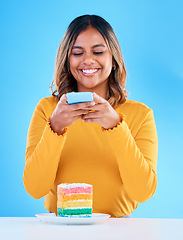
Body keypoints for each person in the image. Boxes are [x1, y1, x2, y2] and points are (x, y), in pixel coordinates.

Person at [23, 15, 158, 218]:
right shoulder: (47, 109)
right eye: (77, 53)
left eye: (98, 51)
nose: (87, 60)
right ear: (67, 61)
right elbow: (34, 188)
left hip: (119, 231)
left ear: (113, 60)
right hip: (60, 229)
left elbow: (143, 191)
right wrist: (55, 127)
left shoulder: (141, 115)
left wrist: (116, 126)